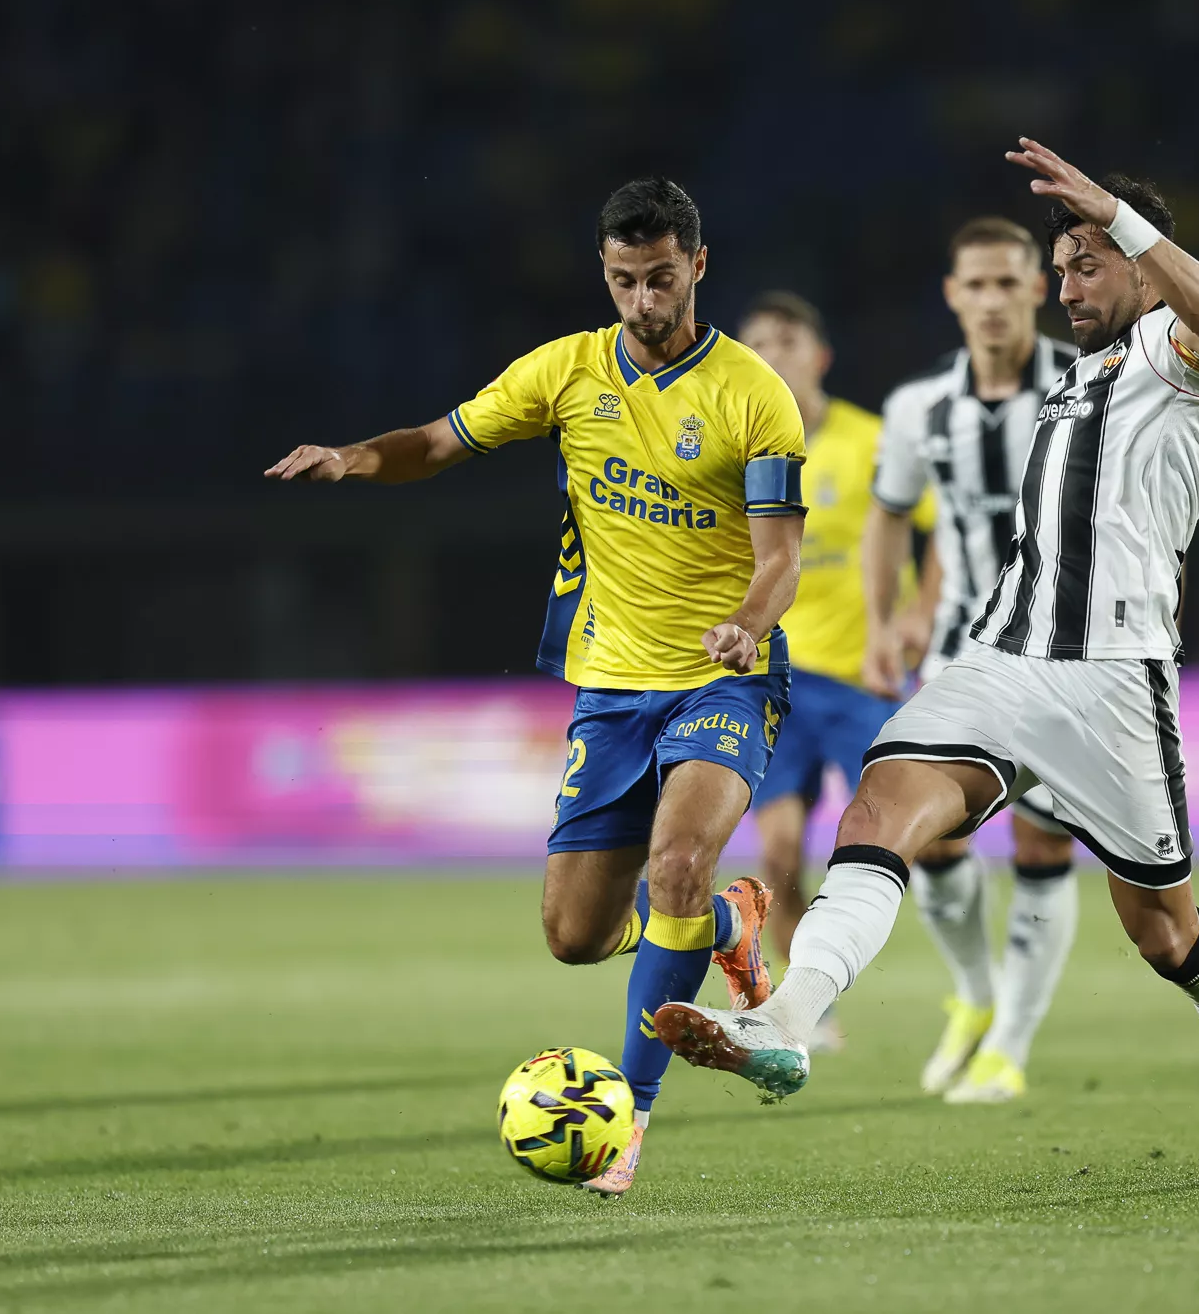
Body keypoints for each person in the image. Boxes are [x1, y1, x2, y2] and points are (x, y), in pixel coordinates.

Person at [655, 141, 1199, 1182]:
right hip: (998, 660)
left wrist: (1116, 209)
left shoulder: (1176, 362)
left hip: (1110, 681)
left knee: (1160, 932)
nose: (1066, 285)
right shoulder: (1070, 379)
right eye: (1059, 268)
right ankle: (784, 1014)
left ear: (1143, 263)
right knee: (877, 810)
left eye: (1085, 262)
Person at [265, 177, 808, 1196]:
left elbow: (778, 554)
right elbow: (435, 443)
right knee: (576, 937)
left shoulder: (751, 392)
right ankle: (731, 925)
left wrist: (749, 620)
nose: (641, 302)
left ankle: (629, 1123)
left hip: (719, 679)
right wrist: (351, 457)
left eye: (658, 279)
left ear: (696, 266)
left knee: (676, 862)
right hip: (607, 688)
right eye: (620, 281)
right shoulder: (563, 372)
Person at [864, 217, 1083, 1104]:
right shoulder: (920, 409)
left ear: (1038, 289)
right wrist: (885, 621)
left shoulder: (1085, 382)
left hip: (1066, 651)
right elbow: (890, 512)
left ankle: (1011, 1050)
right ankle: (975, 996)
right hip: (960, 647)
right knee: (934, 836)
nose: (992, 301)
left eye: (1008, 283)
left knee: (1041, 841)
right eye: (975, 286)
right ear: (952, 295)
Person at [736, 290, 932, 1052]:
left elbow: (936, 528)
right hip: (775, 683)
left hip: (864, 680)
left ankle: (972, 988)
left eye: (786, 340)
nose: (771, 355)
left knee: (900, 843)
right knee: (779, 853)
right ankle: (806, 1001)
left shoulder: (874, 440)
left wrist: (916, 618)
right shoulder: (741, 449)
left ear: (818, 357)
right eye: (756, 343)